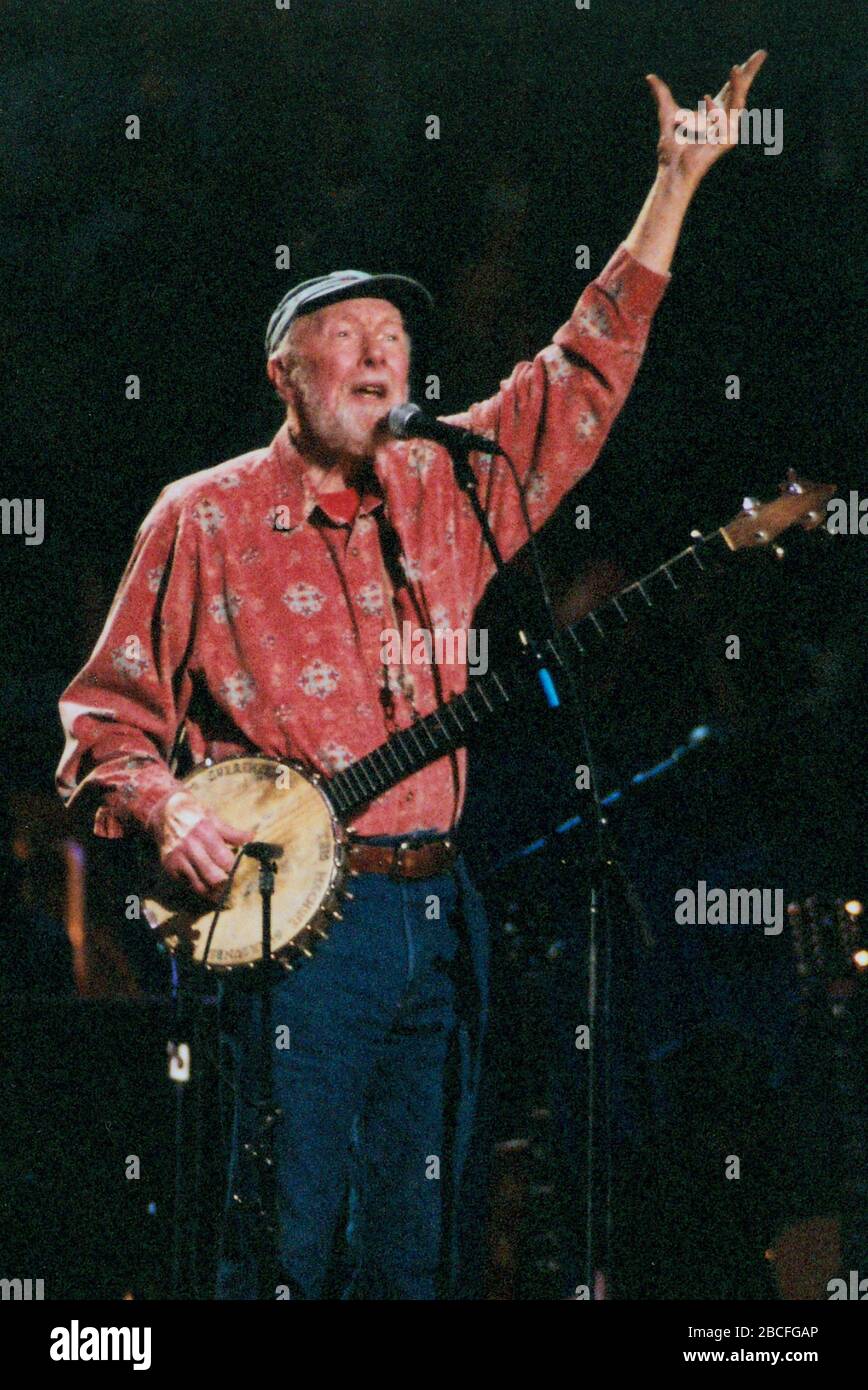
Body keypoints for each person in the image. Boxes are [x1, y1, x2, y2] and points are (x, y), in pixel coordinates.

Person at [56, 53, 767, 1299]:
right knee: (277, 1243)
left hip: (440, 911)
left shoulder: (443, 488)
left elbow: (575, 379)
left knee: (415, 1251)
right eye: (347, 343)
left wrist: (673, 186)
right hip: (284, 939)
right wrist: (165, 808)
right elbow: (106, 715)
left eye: (394, 341)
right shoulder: (201, 517)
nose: (381, 361)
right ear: (284, 372)